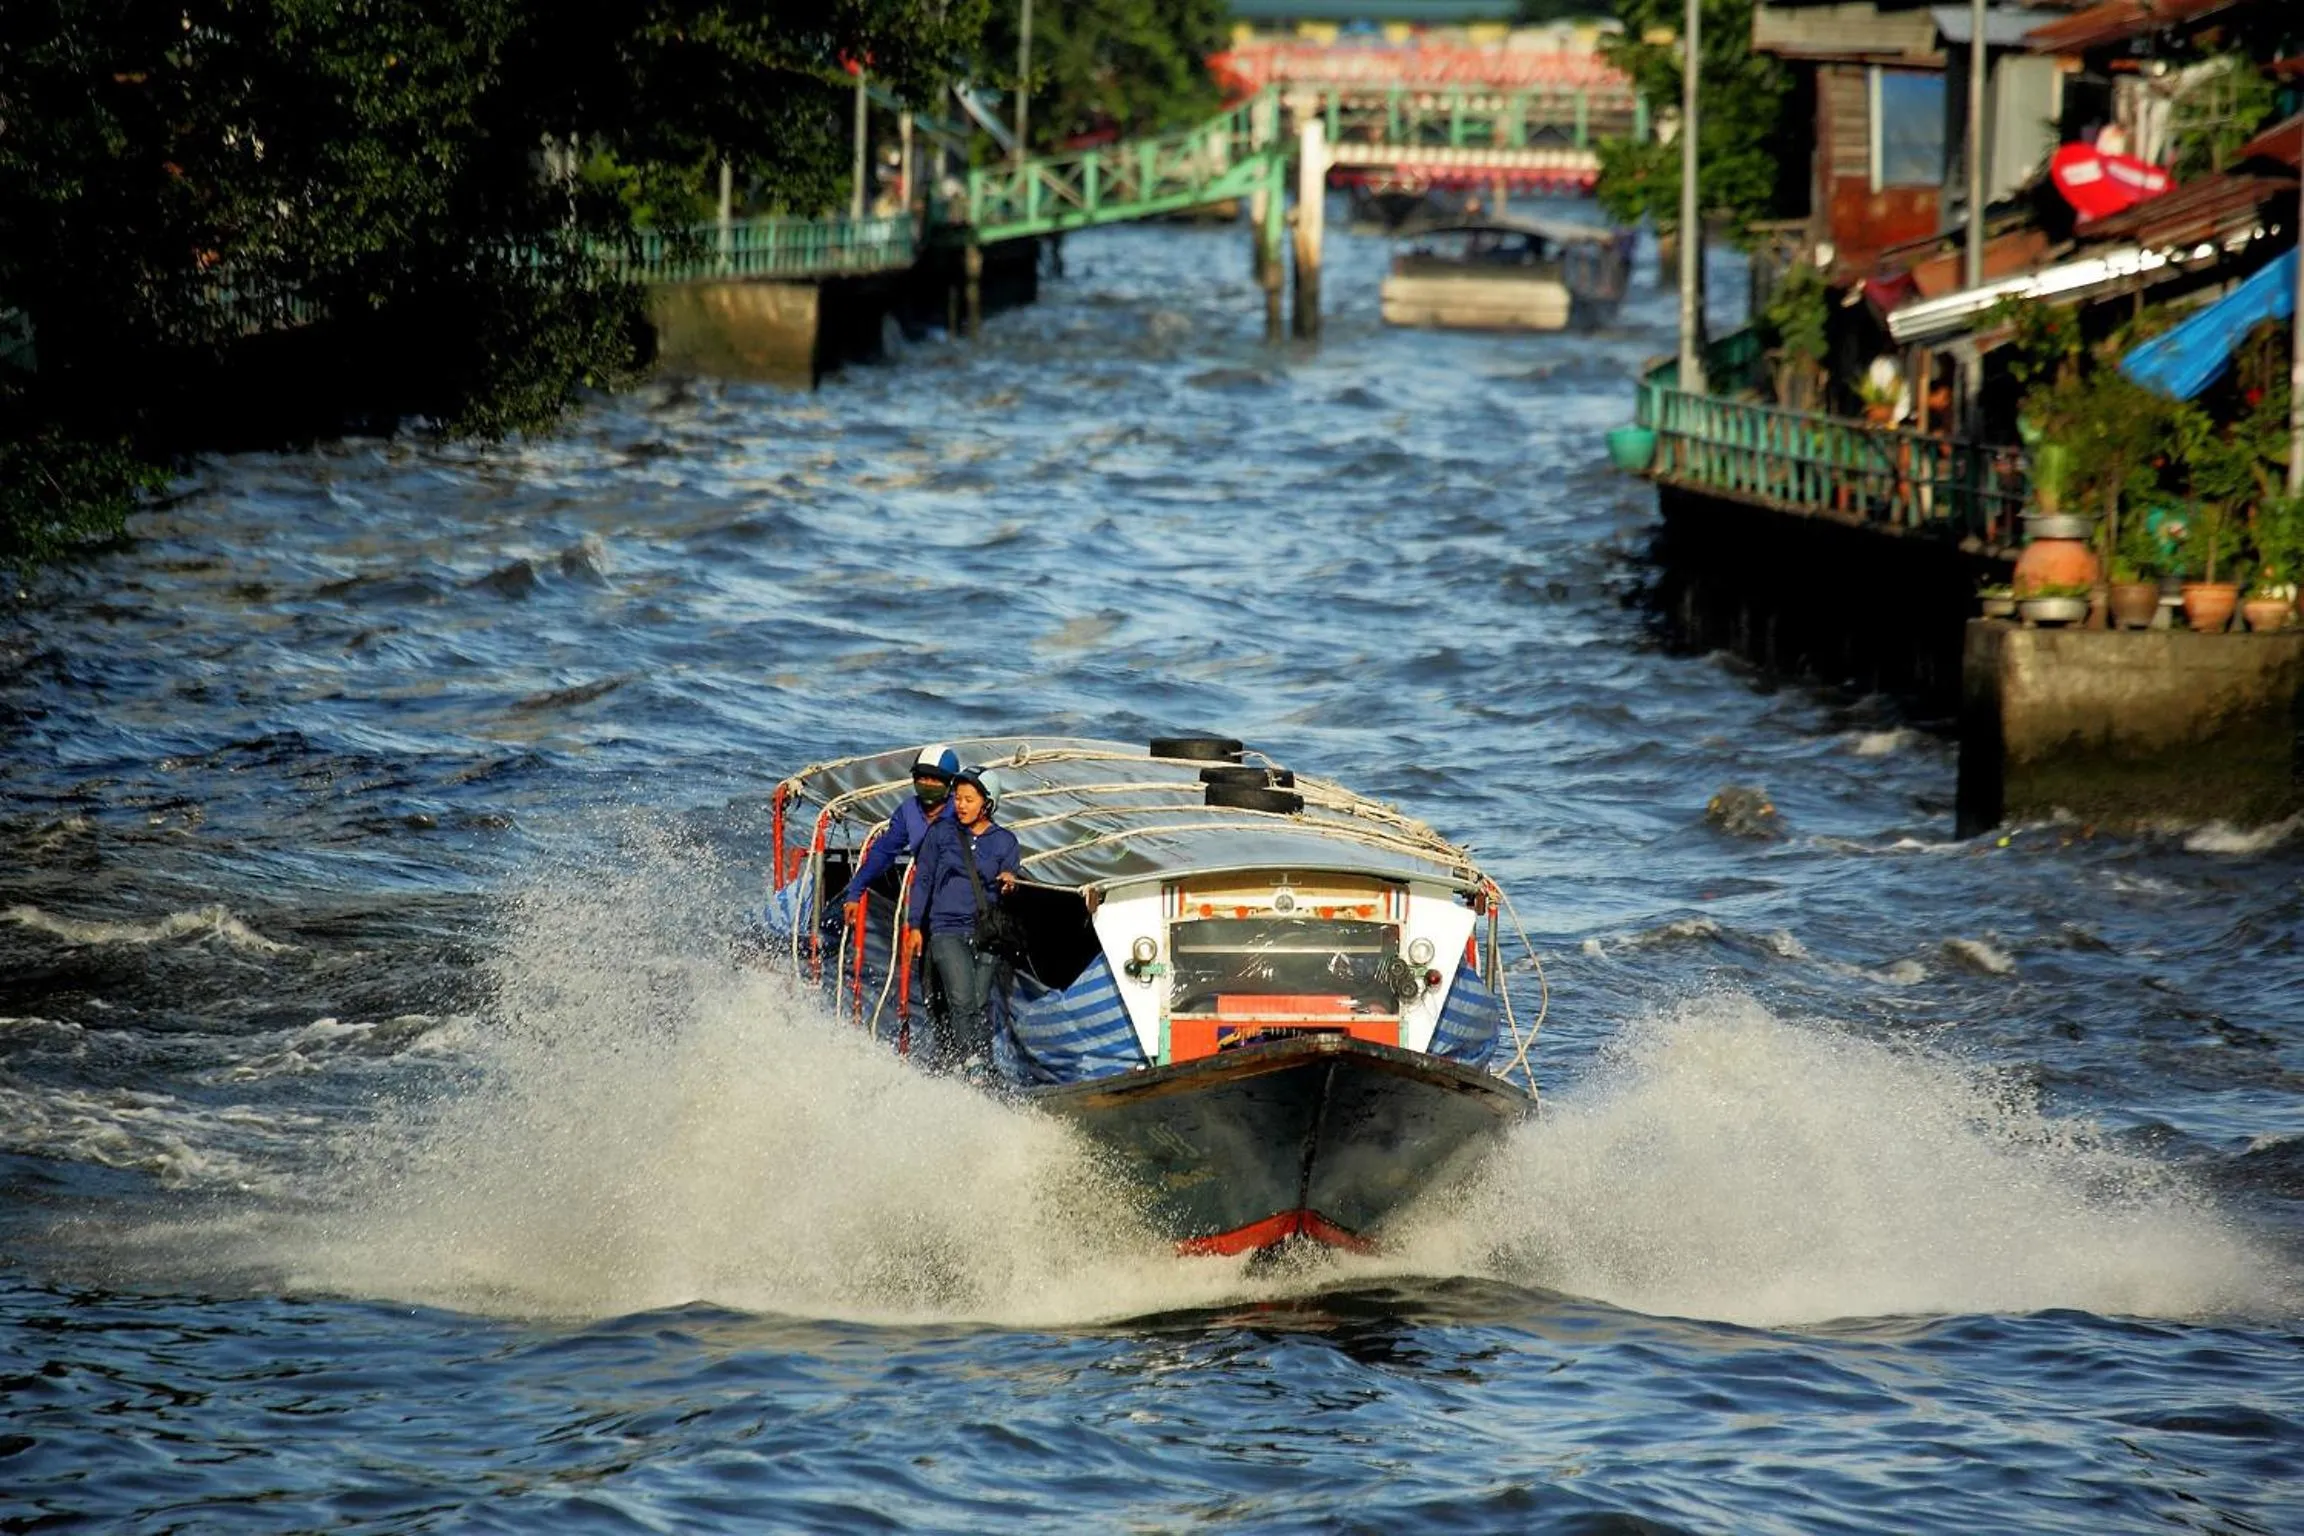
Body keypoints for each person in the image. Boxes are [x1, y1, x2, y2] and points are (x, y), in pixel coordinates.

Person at [903, 766, 1020, 1073]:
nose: (961, 804)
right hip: (946, 929)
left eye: (969, 799)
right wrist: (915, 926)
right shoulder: (941, 833)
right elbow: (924, 879)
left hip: (985, 934)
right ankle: (968, 1063)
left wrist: (1010, 879)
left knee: (981, 1004)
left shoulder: (1005, 841)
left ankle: (977, 1065)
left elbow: (1010, 871)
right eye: (958, 798)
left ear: (988, 803)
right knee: (962, 998)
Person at [831, 744, 961, 921]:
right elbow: (883, 852)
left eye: (936, 779)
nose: (928, 784)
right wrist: (855, 892)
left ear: (951, 783)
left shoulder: (962, 811)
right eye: (922, 778)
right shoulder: (909, 810)